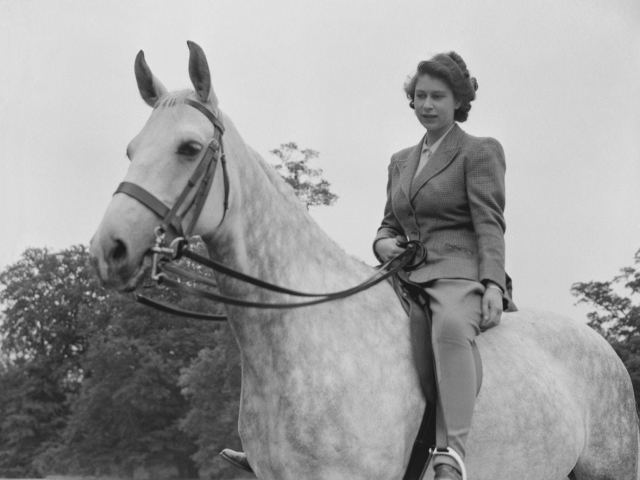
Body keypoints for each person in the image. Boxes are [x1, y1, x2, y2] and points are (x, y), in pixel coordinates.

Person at [373, 52, 515, 480]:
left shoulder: (479, 151)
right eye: (420, 96)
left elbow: (489, 224)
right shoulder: (400, 160)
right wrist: (382, 245)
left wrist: (492, 283)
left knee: (451, 327)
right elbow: (387, 224)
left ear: (458, 102)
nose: (427, 104)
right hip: (403, 270)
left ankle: (450, 453)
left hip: (458, 269)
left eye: (437, 96)